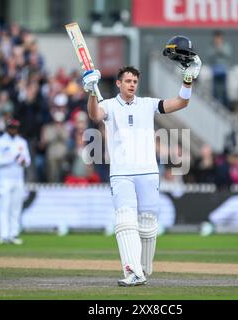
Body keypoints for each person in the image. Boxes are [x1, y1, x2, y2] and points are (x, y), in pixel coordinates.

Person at [84, 36, 201, 287]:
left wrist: (188, 79)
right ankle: (132, 271)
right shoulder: (108, 105)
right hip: (122, 173)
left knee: (148, 225)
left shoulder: (148, 105)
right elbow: (94, 115)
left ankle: (143, 270)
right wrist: (90, 92)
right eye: (128, 81)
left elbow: (181, 102)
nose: (132, 84)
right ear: (118, 84)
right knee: (125, 221)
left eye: (135, 81)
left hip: (148, 172)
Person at [0, 119, 31, 245]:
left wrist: (23, 161)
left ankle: (14, 234)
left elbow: (28, 161)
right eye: (11, 127)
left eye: (15, 127)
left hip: (18, 179)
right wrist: (12, 159)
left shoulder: (22, 142)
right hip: (4, 179)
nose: (14, 130)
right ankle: (3, 236)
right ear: (7, 128)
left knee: (16, 208)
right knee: (4, 207)